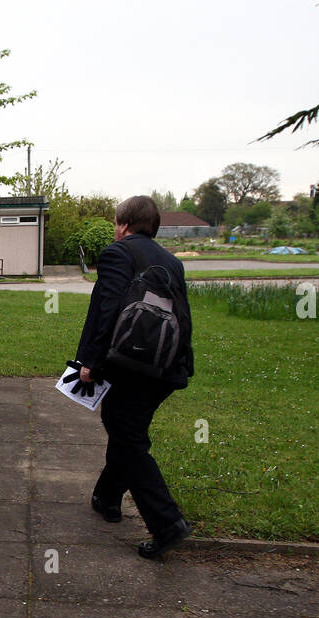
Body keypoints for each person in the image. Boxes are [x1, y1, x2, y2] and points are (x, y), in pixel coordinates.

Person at [73, 195, 194, 559]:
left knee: (127, 436)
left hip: (130, 364)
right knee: (128, 430)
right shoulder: (171, 261)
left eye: (115, 223)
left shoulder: (117, 253)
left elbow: (109, 308)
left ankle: (167, 523)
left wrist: (90, 361)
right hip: (165, 366)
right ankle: (107, 498)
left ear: (123, 225)